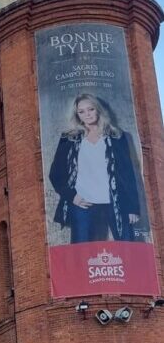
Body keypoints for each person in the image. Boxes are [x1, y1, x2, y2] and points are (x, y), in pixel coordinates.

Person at [49, 93, 142, 244]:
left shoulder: (117, 137)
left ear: (98, 109)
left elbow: (127, 174)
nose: (87, 114)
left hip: (115, 202)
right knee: (81, 250)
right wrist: (72, 196)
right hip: (82, 203)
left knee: (127, 247)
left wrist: (133, 208)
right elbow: (55, 174)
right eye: (81, 111)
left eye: (91, 109)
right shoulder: (69, 138)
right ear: (77, 115)